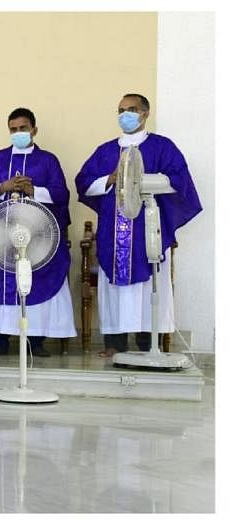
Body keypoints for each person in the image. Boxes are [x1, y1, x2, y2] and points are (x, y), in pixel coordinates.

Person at [75, 93, 202, 357]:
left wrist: (139, 180)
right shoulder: (106, 150)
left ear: (145, 113)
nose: (125, 115)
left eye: (131, 109)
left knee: (151, 286)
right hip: (114, 229)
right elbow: (83, 181)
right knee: (115, 288)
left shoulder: (162, 147)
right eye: (120, 110)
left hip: (149, 229)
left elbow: (180, 181)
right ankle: (114, 344)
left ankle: (149, 343)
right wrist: (109, 180)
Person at [0, 108, 76, 357]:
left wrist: (36, 191)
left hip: (39, 236)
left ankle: (36, 341)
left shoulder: (48, 160)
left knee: (39, 276)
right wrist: (1, 188)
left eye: (23, 128)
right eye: (13, 129)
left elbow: (61, 194)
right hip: (0, 237)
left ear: (34, 130)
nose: (18, 133)